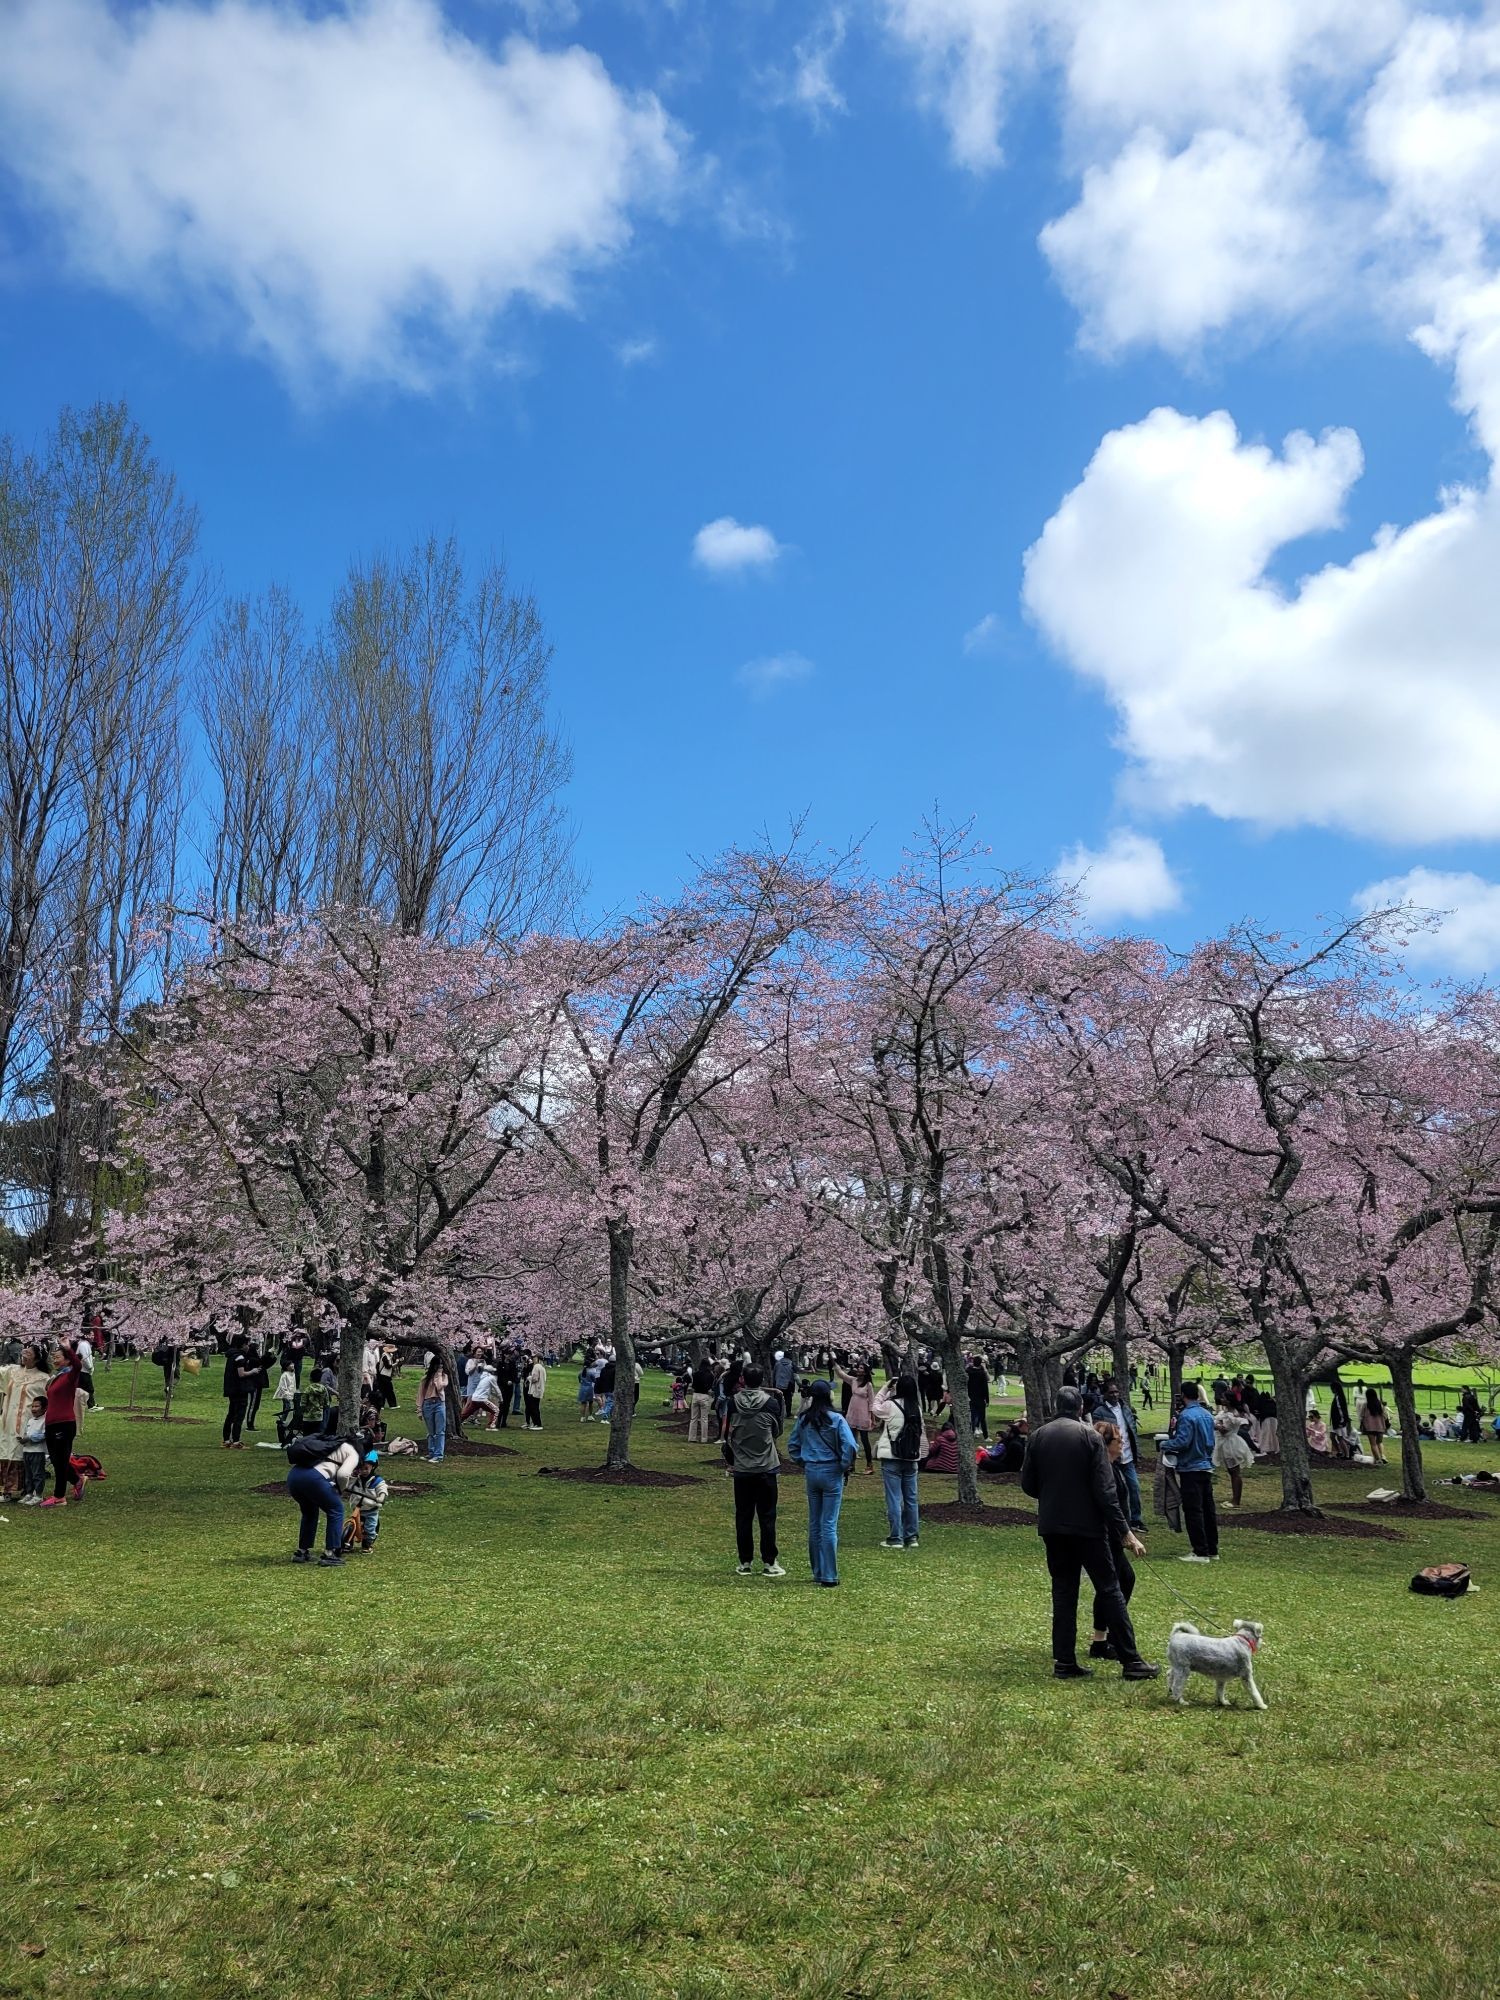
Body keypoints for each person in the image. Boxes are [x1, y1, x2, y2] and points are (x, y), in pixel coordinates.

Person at [1019, 1388, 1158, 1681]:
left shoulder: (1038, 1436)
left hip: (1053, 1526)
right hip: (1088, 1528)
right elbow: (1106, 1490)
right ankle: (1131, 1660)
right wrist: (1125, 1531)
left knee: (1064, 1592)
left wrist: (1052, 1495)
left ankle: (1065, 1662)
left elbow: (1028, 1484)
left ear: (1056, 1405)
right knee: (1109, 1589)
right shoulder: (1090, 1437)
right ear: (1081, 1407)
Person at [788, 1380, 857, 1586]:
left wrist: (804, 1461)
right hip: (831, 1471)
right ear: (828, 1396)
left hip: (812, 1470)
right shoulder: (836, 1419)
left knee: (814, 1523)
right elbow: (850, 1445)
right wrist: (844, 1465)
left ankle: (817, 1570)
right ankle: (829, 1574)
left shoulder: (803, 1420)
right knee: (829, 1524)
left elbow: (793, 1446)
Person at [1087, 1419, 1139, 1660]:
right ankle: (1103, 1640)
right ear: (1107, 1445)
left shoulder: (1112, 1467)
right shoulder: (1102, 1469)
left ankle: (1101, 1638)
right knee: (1114, 1584)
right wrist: (1125, 1534)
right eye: (1119, 1440)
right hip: (1106, 1537)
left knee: (1120, 1581)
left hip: (1114, 1537)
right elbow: (1109, 1505)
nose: (1122, 1444)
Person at [726, 1365, 785, 1576]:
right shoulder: (772, 1403)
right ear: (762, 1379)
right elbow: (777, 1430)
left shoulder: (733, 1402)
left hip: (742, 1468)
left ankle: (745, 1561)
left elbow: (727, 1431)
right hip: (766, 1467)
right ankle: (770, 1562)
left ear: (743, 1379)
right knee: (767, 1516)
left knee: (743, 1516)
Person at [1159, 1382, 1219, 1561]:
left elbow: (1183, 1441)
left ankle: (1200, 1551)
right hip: (1206, 1465)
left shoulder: (1186, 1416)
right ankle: (1212, 1549)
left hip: (1190, 1466)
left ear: (1183, 1395)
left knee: (1193, 1510)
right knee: (1208, 1509)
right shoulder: (1207, 1414)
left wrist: (1164, 1444)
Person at [287, 1429, 365, 1565]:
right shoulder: (352, 1452)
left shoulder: (330, 1443)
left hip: (294, 1476)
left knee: (309, 1512)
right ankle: (330, 1553)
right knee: (336, 1509)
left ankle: (302, 1552)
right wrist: (340, 1489)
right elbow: (343, 1475)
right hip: (313, 1478)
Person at [872, 1373, 925, 1550]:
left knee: (894, 1498)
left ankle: (896, 1537)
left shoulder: (890, 1405)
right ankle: (912, 1536)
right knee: (911, 1498)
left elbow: (875, 1407)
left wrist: (886, 1388)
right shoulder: (916, 1408)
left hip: (892, 1457)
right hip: (911, 1457)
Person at [1090, 1376, 1144, 1529]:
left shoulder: (1125, 1408)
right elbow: (1098, 1434)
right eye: (1111, 1392)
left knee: (1134, 1487)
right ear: (1105, 1394)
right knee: (1116, 1491)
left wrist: (1136, 1452)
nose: (1115, 1395)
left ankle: (1136, 1520)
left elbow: (1132, 1431)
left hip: (1127, 1456)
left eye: (1116, 1392)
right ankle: (1118, 1521)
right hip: (1112, 1459)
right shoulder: (1100, 1412)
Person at [0, 1341, 50, 1503]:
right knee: (4, 1449)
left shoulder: (43, 1378)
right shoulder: (13, 1371)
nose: (24, 1356)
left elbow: (47, 1400)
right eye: (23, 1353)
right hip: (7, 1419)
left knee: (19, 1452)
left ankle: (23, 1489)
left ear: (37, 1358)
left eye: (28, 1353)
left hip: (27, 1421)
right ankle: (5, 1490)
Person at [41, 1344, 85, 1507]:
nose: (55, 1360)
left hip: (64, 1423)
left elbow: (78, 1365)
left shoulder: (70, 1376)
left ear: (67, 1360)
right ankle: (77, 1479)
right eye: (54, 1357)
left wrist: (68, 1348)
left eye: (58, 1357)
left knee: (60, 1461)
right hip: (51, 1423)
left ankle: (59, 1496)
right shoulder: (56, 1377)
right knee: (55, 1459)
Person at [1212, 1394, 1255, 1509]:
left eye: (1224, 1398)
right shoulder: (1225, 1413)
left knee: (1235, 1472)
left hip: (1231, 1445)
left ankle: (1236, 1501)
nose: (1222, 1400)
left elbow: (1227, 1430)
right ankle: (1234, 1498)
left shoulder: (1233, 1414)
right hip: (1225, 1444)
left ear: (1229, 1401)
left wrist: (1220, 1427)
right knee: (1232, 1472)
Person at [836, 1362, 877, 1471]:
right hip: (852, 1413)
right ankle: (851, 1464)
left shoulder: (868, 1385)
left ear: (865, 1371)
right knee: (852, 1440)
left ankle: (869, 1465)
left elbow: (872, 1402)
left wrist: (872, 1417)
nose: (858, 1369)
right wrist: (834, 1363)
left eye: (861, 1368)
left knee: (864, 1440)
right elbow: (841, 1374)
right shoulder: (853, 1380)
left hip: (863, 1414)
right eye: (858, 1367)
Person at [347, 1448, 390, 1552]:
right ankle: (347, 1543)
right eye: (360, 1468)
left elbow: (382, 1488)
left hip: (370, 1508)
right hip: (357, 1507)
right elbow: (347, 1485)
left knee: (370, 1527)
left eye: (366, 1468)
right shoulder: (356, 1478)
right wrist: (352, 1477)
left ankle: (367, 1544)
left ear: (373, 1467)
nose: (363, 1471)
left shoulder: (377, 1480)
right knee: (351, 1525)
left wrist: (381, 1497)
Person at [221, 1337, 259, 1450]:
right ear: (242, 1345)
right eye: (247, 1344)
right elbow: (241, 1374)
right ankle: (236, 1441)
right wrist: (253, 1371)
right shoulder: (240, 1357)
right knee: (239, 1415)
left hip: (231, 1389)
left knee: (231, 1414)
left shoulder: (231, 1355)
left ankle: (226, 1440)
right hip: (240, 1390)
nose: (248, 1347)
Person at [419, 1355, 449, 1464]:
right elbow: (421, 1394)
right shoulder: (426, 1378)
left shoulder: (444, 1376)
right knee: (431, 1431)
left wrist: (439, 1375)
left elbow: (440, 1387)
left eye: (441, 1364)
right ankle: (431, 1452)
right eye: (438, 1364)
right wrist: (419, 1409)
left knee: (440, 1431)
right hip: (427, 1404)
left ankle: (438, 1455)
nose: (440, 1366)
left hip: (439, 1403)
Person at [461, 1359, 501, 1430]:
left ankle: (458, 1421)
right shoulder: (491, 1378)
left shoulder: (481, 1378)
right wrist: (500, 1398)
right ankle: (491, 1426)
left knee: (467, 1413)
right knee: (495, 1410)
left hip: (474, 1398)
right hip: (482, 1399)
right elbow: (496, 1390)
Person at [688, 1354, 715, 1443]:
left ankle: (692, 1437)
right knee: (704, 1418)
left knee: (693, 1418)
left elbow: (693, 1385)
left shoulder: (696, 1374)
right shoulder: (710, 1375)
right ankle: (704, 1438)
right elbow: (710, 1386)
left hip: (696, 1395)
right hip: (705, 1395)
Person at [1360, 1386, 1389, 1464]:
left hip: (1369, 1427)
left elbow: (1361, 1416)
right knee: (1379, 1442)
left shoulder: (1366, 1405)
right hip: (1380, 1426)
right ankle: (1383, 1456)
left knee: (1373, 1444)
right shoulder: (1380, 1404)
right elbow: (1385, 1415)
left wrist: (1362, 1425)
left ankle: (1378, 1459)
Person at [272, 1360, 298, 1445]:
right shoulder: (284, 1375)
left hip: (292, 1395)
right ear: (286, 1367)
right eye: (290, 1364)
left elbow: (293, 1385)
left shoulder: (293, 1374)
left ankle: (287, 1422)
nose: (292, 1365)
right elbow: (283, 1386)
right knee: (287, 1408)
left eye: (292, 1364)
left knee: (290, 1408)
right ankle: (283, 1422)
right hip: (286, 1395)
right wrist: (288, 1395)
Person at [965, 1355, 990, 1439]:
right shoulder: (982, 1373)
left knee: (972, 1417)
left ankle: (970, 1434)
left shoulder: (968, 1371)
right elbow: (985, 1387)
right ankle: (986, 1436)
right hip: (980, 1398)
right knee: (982, 1418)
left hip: (970, 1397)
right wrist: (987, 1399)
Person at [524, 1354, 547, 1430]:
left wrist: (529, 1378)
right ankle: (536, 1423)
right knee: (535, 1407)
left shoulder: (536, 1367)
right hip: (539, 1389)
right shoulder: (542, 1368)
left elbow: (535, 1379)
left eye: (535, 1358)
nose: (533, 1359)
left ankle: (537, 1424)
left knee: (533, 1407)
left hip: (535, 1389)